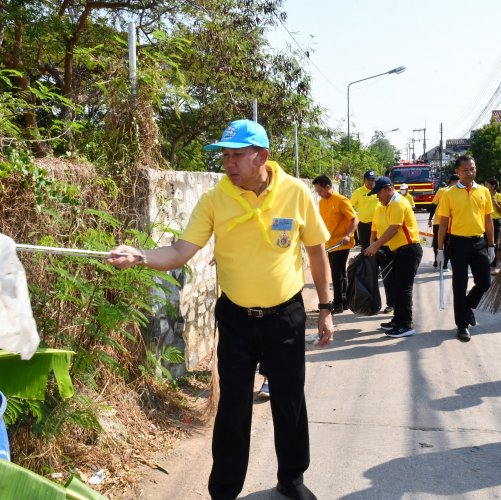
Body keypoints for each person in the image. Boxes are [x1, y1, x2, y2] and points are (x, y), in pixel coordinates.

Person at [108, 119, 333, 500]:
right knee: (232, 407)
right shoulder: (215, 199)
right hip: (236, 319)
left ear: (261, 156)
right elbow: (180, 251)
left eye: (236, 155)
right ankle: (224, 491)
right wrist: (142, 256)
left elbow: (316, 251)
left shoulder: (295, 193)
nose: (228, 163)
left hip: (286, 317)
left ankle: (292, 480)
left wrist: (325, 307)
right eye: (224, 156)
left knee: (290, 399)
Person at [436, 156, 495, 342]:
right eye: (466, 170)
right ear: (458, 172)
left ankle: (467, 306)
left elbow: (488, 220)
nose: (470, 173)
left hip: (479, 242)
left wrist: (492, 245)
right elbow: (443, 223)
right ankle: (462, 326)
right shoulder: (449, 194)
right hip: (458, 243)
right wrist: (439, 250)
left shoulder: (484, 191)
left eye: (473, 169)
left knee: (484, 282)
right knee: (459, 286)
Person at [364, 177, 423, 338]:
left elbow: (394, 229)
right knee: (397, 286)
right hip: (399, 250)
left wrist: (375, 246)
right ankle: (398, 320)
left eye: (379, 193)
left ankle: (406, 324)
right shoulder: (388, 204)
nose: (378, 197)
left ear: (388, 188)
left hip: (410, 250)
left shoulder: (398, 203)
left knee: (404, 288)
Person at [313, 175, 358, 314]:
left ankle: (338, 303)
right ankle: (344, 301)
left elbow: (355, 219)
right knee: (339, 272)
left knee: (336, 273)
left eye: (319, 190)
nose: (318, 194)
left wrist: (348, 235)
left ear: (327, 186)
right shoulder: (322, 202)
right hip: (330, 243)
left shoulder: (341, 200)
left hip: (342, 243)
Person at [352, 170, 394, 313]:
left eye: (373, 179)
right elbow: (351, 207)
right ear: (364, 180)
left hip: (383, 230)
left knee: (387, 267)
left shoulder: (385, 199)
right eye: (369, 179)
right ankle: (371, 300)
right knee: (369, 264)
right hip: (365, 228)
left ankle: (391, 302)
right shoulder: (358, 192)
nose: (371, 182)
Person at [428, 174, 459, 269]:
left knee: (448, 244)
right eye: (458, 181)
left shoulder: (459, 192)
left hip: (452, 223)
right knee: (437, 243)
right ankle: (437, 259)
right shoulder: (441, 191)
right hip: (439, 221)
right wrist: (430, 219)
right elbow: (433, 205)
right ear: (453, 181)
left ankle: (445, 263)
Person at [484, 178, 501, 271]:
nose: (485, 186)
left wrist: (496, 204)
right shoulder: (483, 195)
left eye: (487, 184)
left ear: (493, 186)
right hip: (483, 221)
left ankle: (492, 266)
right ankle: (484, 265)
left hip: (495, 221)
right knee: (483, 243)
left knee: (493, 244)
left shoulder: (500, 196)